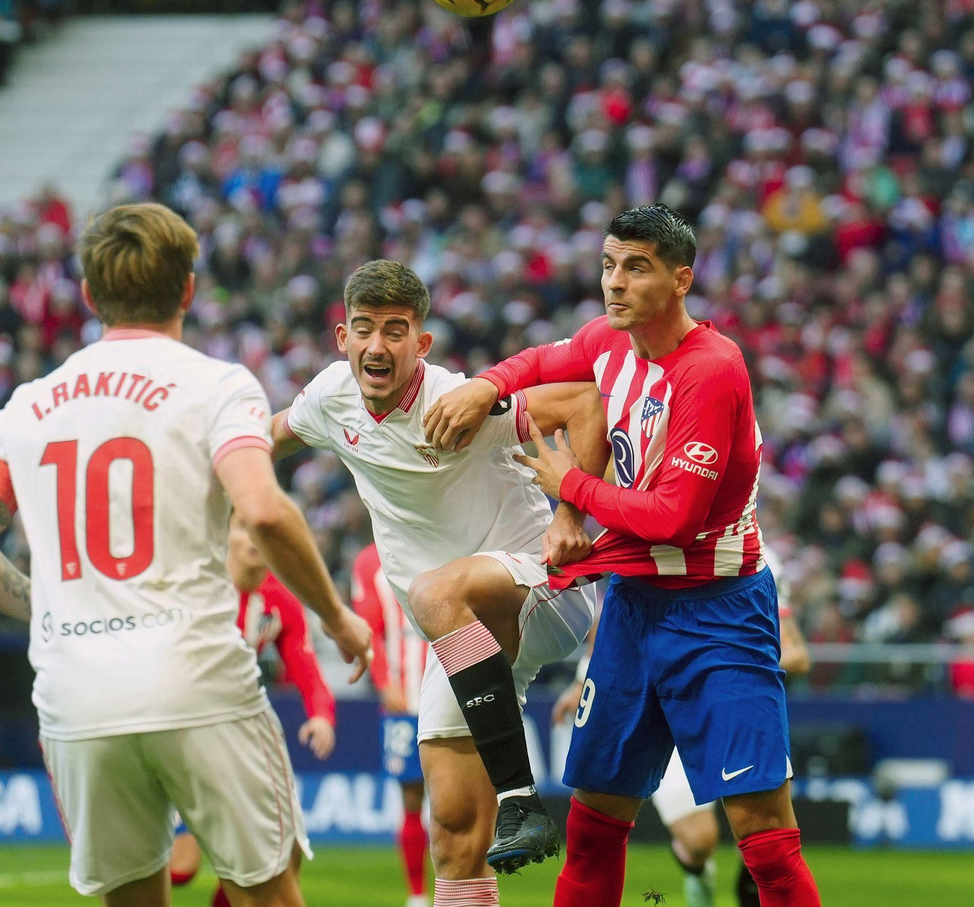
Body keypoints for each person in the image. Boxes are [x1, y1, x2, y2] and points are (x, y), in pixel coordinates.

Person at [0, 202, 373, 907]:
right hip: (194, 678)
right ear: (189, 289)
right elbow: (261, 508)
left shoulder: (30, 405)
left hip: (76, 695)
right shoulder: (216, 386)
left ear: (87, 294)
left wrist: (51, 606)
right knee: (270, 890)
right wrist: (337, 617)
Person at [424, 205, 821, 907]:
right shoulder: (609, 342)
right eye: (609, 264)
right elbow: (540, 362)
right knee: (594, 831)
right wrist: (486, 384)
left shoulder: (712, 370)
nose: (615, 282)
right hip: (633, 614)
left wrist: (568, 487)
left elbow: (675, 518)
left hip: (719, 618)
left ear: (680, 279)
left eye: (636, 267)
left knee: (766, 846)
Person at [269, 259, 606, 904]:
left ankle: (520, 796)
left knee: (433, 593)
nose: (377, 345)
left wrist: (571, 513)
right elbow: (272, 438)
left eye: (395, 331)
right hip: (462, 643)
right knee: (453, 835)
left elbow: (584, 402)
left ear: (420, 344)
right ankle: (500, 815)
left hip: (543, 587)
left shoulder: (459, 403)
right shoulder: (328, 399)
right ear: (342, 338)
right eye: (363, 329)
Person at [551, 547, 812, 907]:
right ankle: (698, 875)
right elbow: (602, 624)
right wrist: (582, 678)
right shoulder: (634, 540)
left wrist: (728, 662)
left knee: (766, 843)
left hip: (719, 665)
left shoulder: (754, 555)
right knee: (694, 839)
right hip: (642, 662)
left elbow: (796, 651)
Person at [170, 522, 339, 905]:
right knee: (181, 869)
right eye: (243, 526)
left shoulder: (279, 600)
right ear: (224, 532)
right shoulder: (194, 586)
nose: (253, 537)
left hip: (236, 733)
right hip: (178, 731)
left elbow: (307, 669)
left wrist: (321, 715)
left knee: (288, 848)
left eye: (259, 528)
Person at [352, 543, 431, 907]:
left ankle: (464, 887)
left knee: (459, 797)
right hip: (405, 698)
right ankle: (416, 896)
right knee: (411, 796)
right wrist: (384, 682)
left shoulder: (443, 533)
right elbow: (367, 627)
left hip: (452, 688)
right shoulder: (370, 561)